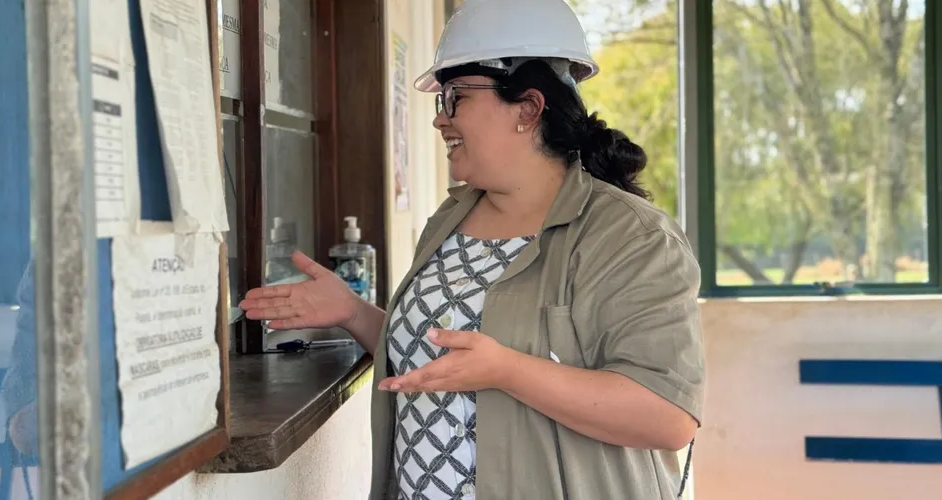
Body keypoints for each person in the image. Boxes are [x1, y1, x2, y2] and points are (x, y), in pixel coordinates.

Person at [238, 0, 705, 498]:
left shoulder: (630, 236)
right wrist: (352, 312)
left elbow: (667, 415)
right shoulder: (451, 218)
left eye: (455, 97)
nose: (440, 120)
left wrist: (509, 371)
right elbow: (442, 355)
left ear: (528, 108)